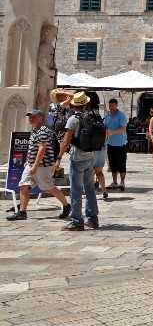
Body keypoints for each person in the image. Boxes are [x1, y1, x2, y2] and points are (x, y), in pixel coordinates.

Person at [6, 110, 70, 221]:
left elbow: (42, 149)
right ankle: (22, 212)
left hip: (43, 166)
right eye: (30, 117)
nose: (31, 119)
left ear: (41, 118)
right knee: (23, 185)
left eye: (33, 117)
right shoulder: (35, 130)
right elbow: (33, 148)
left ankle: (66, 205)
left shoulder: (43, 131)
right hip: (31, 164)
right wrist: (28, 161)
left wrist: (35, 166)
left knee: (48, 187)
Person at [57, 92, 99, 231]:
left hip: (77, 158)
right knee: (90, 189)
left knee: (76, 190)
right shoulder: (90, 117)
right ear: (85, 105)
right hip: (90, 156)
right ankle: (92, 219)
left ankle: (76, 221)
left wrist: (58, 159)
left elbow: (65, 141)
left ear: (73, 104)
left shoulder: (73, 120)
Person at [103, 99, 128, 191]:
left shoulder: (121, 115)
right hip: (110, 143)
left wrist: (111, 132)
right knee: (112, 164)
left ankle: (122, 182)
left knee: (121, 164)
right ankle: (114, 182)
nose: (111, 108)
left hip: (120, 144)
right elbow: (104, 127)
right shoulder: (107, 116)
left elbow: (123, 129)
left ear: (117, 105)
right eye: (110, 106)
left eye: (113, 106)